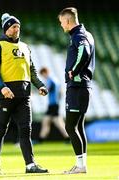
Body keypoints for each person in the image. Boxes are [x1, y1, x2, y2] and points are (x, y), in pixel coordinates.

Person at [0, 13, 49, 174]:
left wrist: (40, 85)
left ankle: (30, 165)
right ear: (7, 29)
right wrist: (2, 87)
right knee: (0, 130)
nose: (17, 29)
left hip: (24, 96)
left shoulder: (25, 47)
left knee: (25, 130)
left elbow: (32, 71)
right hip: (5, 96)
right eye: (14, 26)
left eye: (18, 27)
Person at [58, 7, 95, 174]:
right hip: (83, 87)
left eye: (61, 22)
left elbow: (84, 51)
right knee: (78, 127)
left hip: (77, 86)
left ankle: (80, 166)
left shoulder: (79, 36)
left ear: (67, 21)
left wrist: (73, 70)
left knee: (70, 127)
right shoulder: (86, 34)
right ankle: (82, 165)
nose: (61, 26)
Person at [39, 67, 69, 142]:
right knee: (48, 121)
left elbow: (46, 90)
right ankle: (41, 138)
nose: (43, 76)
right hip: (55, 104)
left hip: (53, 105)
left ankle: (41, 139)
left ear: (45, 72)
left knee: (56, 122)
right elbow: (61, 92)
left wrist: (39, 91)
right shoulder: (56, 80)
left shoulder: (50, 80)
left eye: (42, 74)